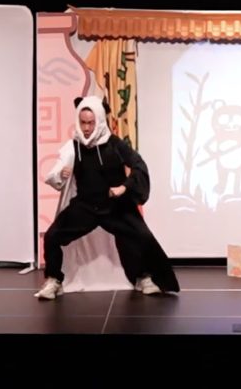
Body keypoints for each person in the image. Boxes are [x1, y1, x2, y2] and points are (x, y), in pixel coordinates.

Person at [35, 95, 180, 300]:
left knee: (143, 237)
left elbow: (139, 166)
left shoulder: (115, 144)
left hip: (115, 206)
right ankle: (53, 280)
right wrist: (62, 174)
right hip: (86, 206)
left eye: (91, 123)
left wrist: (124, 187)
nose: (86, 128)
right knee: (52, 236)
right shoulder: (73, 146)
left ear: (100, 121)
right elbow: (55, 174)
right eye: (83, 122)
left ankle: (144, 276)